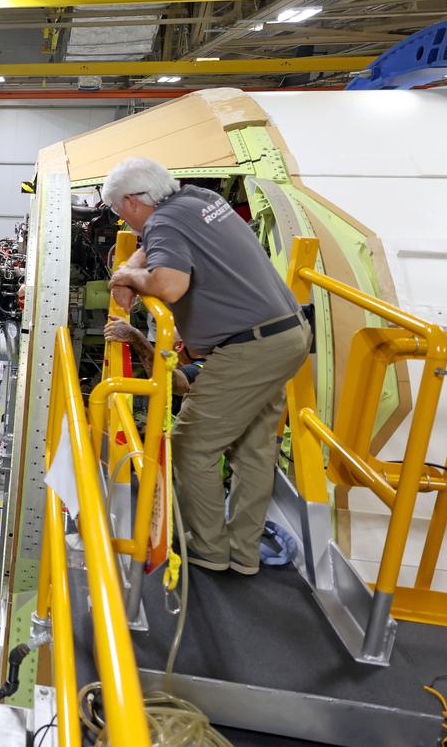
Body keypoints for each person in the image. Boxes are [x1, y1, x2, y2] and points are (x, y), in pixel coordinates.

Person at [103, 156, 309, 576]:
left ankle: (210, 550)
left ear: (133, 201)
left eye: (119, 212)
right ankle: (243, 554)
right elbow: (149, 246)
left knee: (191, 446)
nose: (124, 222)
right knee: (252, 450)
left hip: (249, 347)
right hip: (287, 334)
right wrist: (131, 265)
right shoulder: (198, 199)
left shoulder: (165, 222)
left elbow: (169, 284)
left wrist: (127, 279)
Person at [103, 316, 203, 413]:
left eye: (161, 344)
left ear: (179, 346)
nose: (156, 349)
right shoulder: (183, 368)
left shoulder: (203, 369)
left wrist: (136, 337)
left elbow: (167, 381)